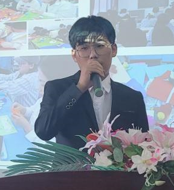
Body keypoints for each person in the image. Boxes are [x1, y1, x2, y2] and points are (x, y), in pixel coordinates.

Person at [34, 16, 149, 149]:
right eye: (84, 48)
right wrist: (79, 88)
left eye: (99, 46)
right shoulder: (57, 88)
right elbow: (43, 131)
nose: (93, 54)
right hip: (72, 163)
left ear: (114, 49)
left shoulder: (132, 97)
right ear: (74, 55)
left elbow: (143, 145)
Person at [11, 56, 76, 142]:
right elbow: (34, 111)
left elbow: (47, 146)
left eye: (42, 84)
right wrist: (24, 110)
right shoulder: (45, 98)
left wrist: (26, 126)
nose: (38, 88)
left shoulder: (63, 114)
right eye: (39, 81)